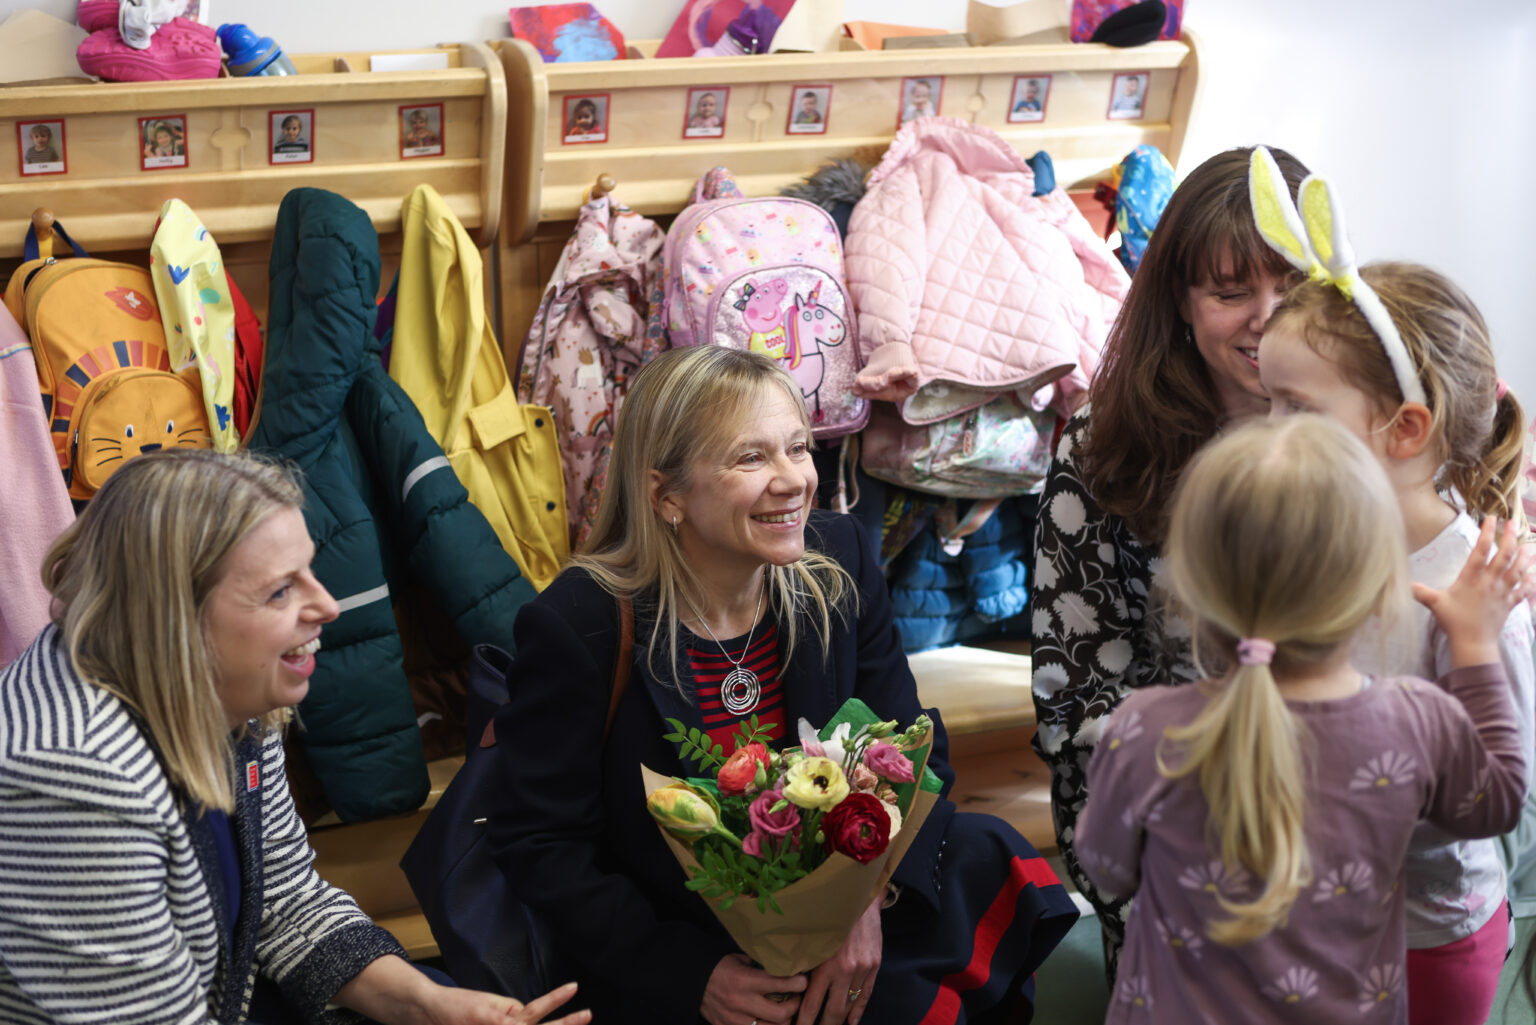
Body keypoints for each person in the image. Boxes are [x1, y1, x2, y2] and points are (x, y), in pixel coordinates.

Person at [488, 347, 1078, 1025]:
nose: (793, 479)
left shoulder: (840, 558)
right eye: (750, 457)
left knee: (978, 851)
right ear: (665, 494)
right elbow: (541, 846)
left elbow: (915, 757)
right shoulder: (582, 623)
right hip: (682, 946)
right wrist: (694, 975)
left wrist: (865, 907)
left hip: (844, 929)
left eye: (798, 448)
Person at [0, 450, 589, 1025]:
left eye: (311, 570)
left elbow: (284, 903)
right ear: (175, 617)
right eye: (281, 591)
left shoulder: (222, 692)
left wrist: (427, 1006)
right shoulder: (75, 779)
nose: (328, 606)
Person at [1076, 414, 1529, 1025]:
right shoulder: (1416, 722)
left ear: (1192, 585)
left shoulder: (1145, 727)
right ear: (1380, 586)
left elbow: (1105, 866)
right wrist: (1473, 644)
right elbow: (1499, 803)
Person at [1029, 144, 1310, 975]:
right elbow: (1074, 698)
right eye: (1231, 292)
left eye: (1294, 286)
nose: (1269, 316)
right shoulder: (1105, 450)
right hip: (1170, 805)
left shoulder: (1361, 433)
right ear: (1181, 303)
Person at [1260, 258, 1535, 1025]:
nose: (1271, 431)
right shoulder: (1311, 545)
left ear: (1404, 428)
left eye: (1296, 407)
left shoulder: (1479, 596)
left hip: (1427, 940)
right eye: (1268, 402)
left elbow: (1497, 795)